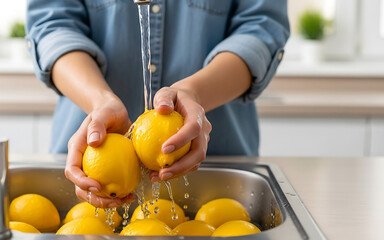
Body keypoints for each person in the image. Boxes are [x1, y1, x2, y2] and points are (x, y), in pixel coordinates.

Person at [26, 0, 289, 208]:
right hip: (92, 165)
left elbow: (261, 27)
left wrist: (195, 93)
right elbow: (53, 24)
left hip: (220, 172)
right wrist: (99, 101)